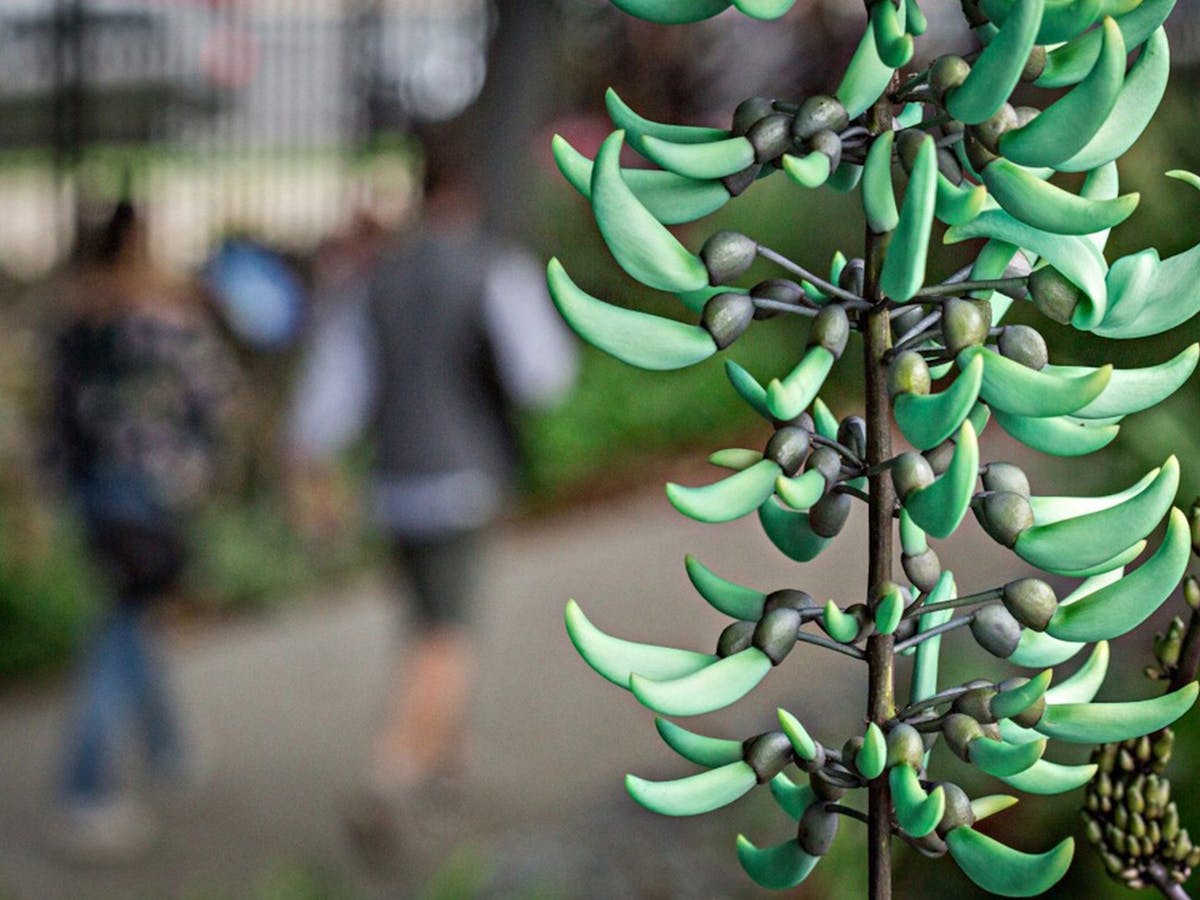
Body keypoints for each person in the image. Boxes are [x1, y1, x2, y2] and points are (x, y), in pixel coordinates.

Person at [287, 150, 576, 864]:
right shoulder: (493, 269)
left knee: (423, 625)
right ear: (467, 196)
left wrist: (316, 480)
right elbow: (545, 376)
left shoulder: (374, 281)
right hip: (463, 478)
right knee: (448, 637)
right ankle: (390, 776)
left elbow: (329, 401)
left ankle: (450, 765)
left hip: (393, 482)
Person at [48, 201, 231, 862]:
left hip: (95, 495)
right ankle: (85, 789)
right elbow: (212, 398)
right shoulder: (162, 323)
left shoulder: (75, 324)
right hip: (152, 495)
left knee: (133, 619)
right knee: (121, 631)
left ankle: (170, 748)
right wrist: (196, 469)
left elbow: (55, 425)